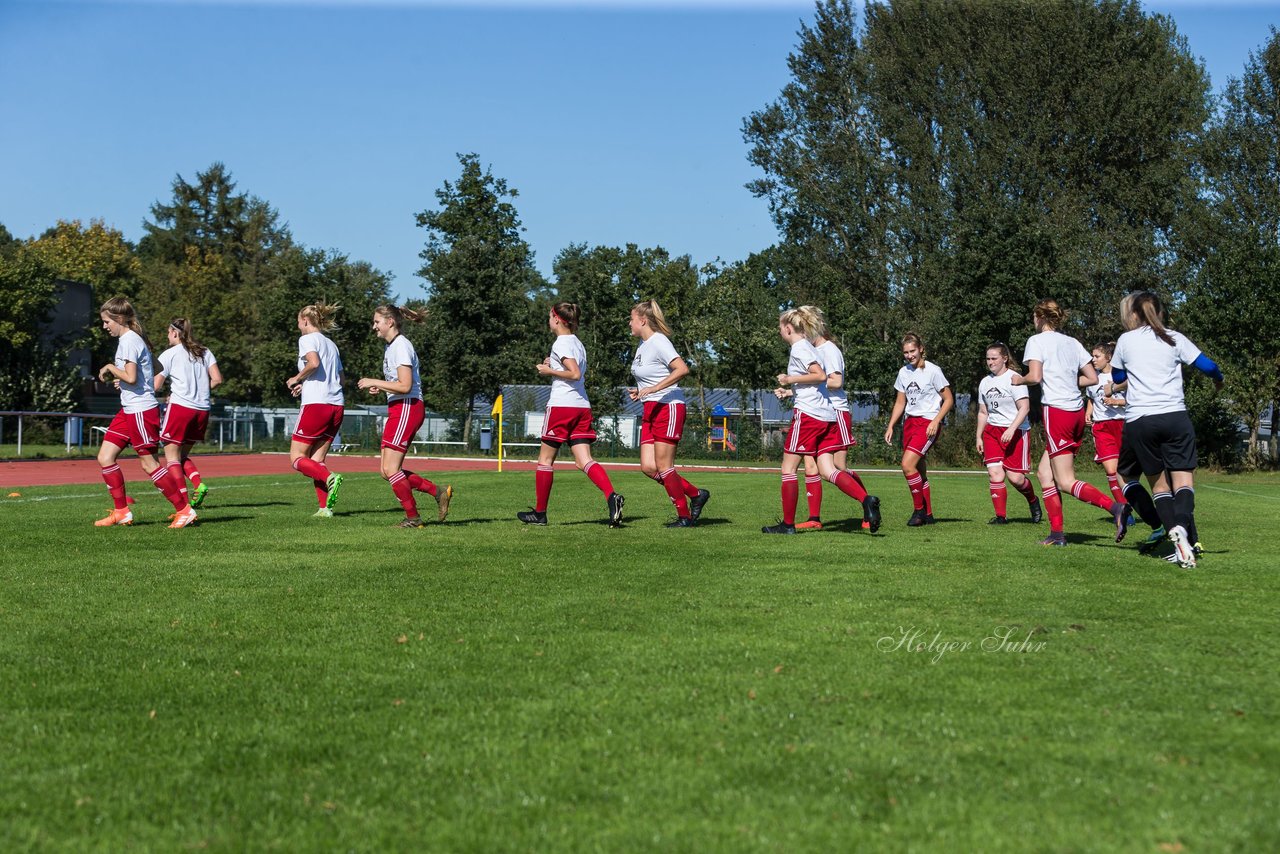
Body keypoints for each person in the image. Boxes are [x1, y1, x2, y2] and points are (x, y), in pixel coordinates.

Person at [1110, 291, 1223, 568]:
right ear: (1160, 312)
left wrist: (1131, 374)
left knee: (1160, 486)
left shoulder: (1126, 340)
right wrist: (1218, 381)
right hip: (1175, 417)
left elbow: (1117, 376)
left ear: (1133, 314)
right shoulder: (1174, 337)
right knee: (1184, 483)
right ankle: (1183, 531)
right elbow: (1208, 366)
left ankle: (1176, 539)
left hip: (1141, 421)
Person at [1011, 298, 1129, 546]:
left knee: (1064, 480)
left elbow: (1034, 376)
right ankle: (1057, 534)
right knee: (1045, 473)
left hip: (1057, 412)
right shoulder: (1072, 342)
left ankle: (1115, 508)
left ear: (1040, 317)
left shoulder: (1036, 341)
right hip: (1075, 412)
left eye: (1034, 316)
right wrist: (1067, 381)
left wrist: (1019, 380)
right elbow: (1092, 377)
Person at [763, 306, 881, 535]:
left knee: (788, 468)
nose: (779, 332)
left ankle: (787, 525)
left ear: (788, 328)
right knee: (828, 470)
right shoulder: (810, 347)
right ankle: (866, 500)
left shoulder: (799, 348)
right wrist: (792, 390)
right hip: (826, 416)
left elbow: (820, 376)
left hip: (808, 416)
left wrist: (789, 379)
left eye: (780, 328)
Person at [94, 297, 198, 528]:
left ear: (118, 318)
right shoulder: (131, 339)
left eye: (106, 321)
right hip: (129, 409)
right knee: (105, 457)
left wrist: (112, 369)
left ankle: (184, 510)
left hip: (141, 410)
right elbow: (149, 371)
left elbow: (131, 376)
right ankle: (121, 511)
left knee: (149, 464)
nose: (104, 326)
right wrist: (131, 381)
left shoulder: (129, 340)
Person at [517, 302, 624, 527]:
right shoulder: (577, 343)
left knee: (545, 460)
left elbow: (573, 373)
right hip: (581, 406)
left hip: (561, 407)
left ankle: (540, 514)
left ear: (556, 319)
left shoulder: (561, 342)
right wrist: (554, 363)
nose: (548, 320)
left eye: (549, 316)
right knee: (584, 460)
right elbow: (574, 368)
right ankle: (612, 497)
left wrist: (549, 370)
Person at [356, 305, 453, 528]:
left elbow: (406, 385)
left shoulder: (400, 346)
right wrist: (382, 388)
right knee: (385, 471)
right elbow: (398, 384)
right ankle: (437, 491)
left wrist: (375, 382)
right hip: (399, 407)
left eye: (377, 322)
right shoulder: (392, 347)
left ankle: (413, 517)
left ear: (390, 322)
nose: (374, 327)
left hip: (407, 407)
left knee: (391, 469)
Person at [626, 299, 709, 528]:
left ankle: (684, 518)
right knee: (648, 467)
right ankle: (696, 494)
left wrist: (654, 388)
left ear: (643, 320)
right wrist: (643, 391)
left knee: (664, 466)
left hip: (668, 407)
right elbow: (651, 376)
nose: (629, 323)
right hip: (650, 407)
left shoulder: (659, 341)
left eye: (631, 319)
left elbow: (682, 369)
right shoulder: (642, 346)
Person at [793, 311, 873, 531]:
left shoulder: (829, 350)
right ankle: (815, 518)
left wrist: (812, 380)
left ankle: (867, 504)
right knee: (817, 466)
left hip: (836, 412)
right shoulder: (814, 351)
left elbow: (836, 381)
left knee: (835, 468)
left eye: (802, 328)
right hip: (822, 412)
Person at [883, 333, 953, 526]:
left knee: (907, 465)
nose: (909, 355)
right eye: (905, 352)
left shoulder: (933, 371)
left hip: (928, 423)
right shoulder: (903, 372)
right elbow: (900, 402)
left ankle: (918, 511)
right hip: (910, 423)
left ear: (921, 349)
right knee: (918, 470)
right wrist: (891, 425)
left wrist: (936, 420)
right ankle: (928, 514)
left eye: (912, 351)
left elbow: (949, 399)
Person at [154, 318, 222, 511]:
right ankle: (198, 484)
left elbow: (156, 386)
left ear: (175, 333)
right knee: (182, 456)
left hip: (181, 408)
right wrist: (200, 390)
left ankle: (183, 507)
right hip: (202, 410)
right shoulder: (205, 351)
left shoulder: (169, 354)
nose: (167, 336)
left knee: (172, 459)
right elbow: (217, 379)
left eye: (168, 332)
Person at [286, 302, 345, 518]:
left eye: (298, 321)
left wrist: (296, 378)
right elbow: (340, 378)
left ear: (305, 320)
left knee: (297, 458)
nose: (298, 325)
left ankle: (331, 478)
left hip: (316, 405)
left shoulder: (306, 339)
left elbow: (313, 363)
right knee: (316, 461)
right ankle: (324, 509)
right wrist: (305, 385)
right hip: (336, 405)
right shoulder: (331, 344)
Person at [975, 343, 1041, 525]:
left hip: (1016, 431)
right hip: (992, 432)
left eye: (994, 358)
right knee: (995, 474)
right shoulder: (984, 382)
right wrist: (979, 436)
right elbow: (983, 412)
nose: (990, 362)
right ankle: (1001, 517)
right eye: (988, 358)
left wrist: (1011, 429)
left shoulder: (1015, 378)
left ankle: (1033, 501)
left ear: (1005, 358)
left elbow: (1024, 408)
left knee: (1016, 478)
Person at [1084, 341, 1128, 505]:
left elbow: (1136, 400)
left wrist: (1117, 402)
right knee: (1111, 470)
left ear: (1108, 357)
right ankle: (1123, 509)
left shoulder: (1122, 376)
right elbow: (1091, 399)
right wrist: (1088, 413)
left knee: (1126, 471)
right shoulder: (1092, 378)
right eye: (1092, 356)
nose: (1093, 359)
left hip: (1123, 424)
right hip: (1102, 426)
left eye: (1097, 356)